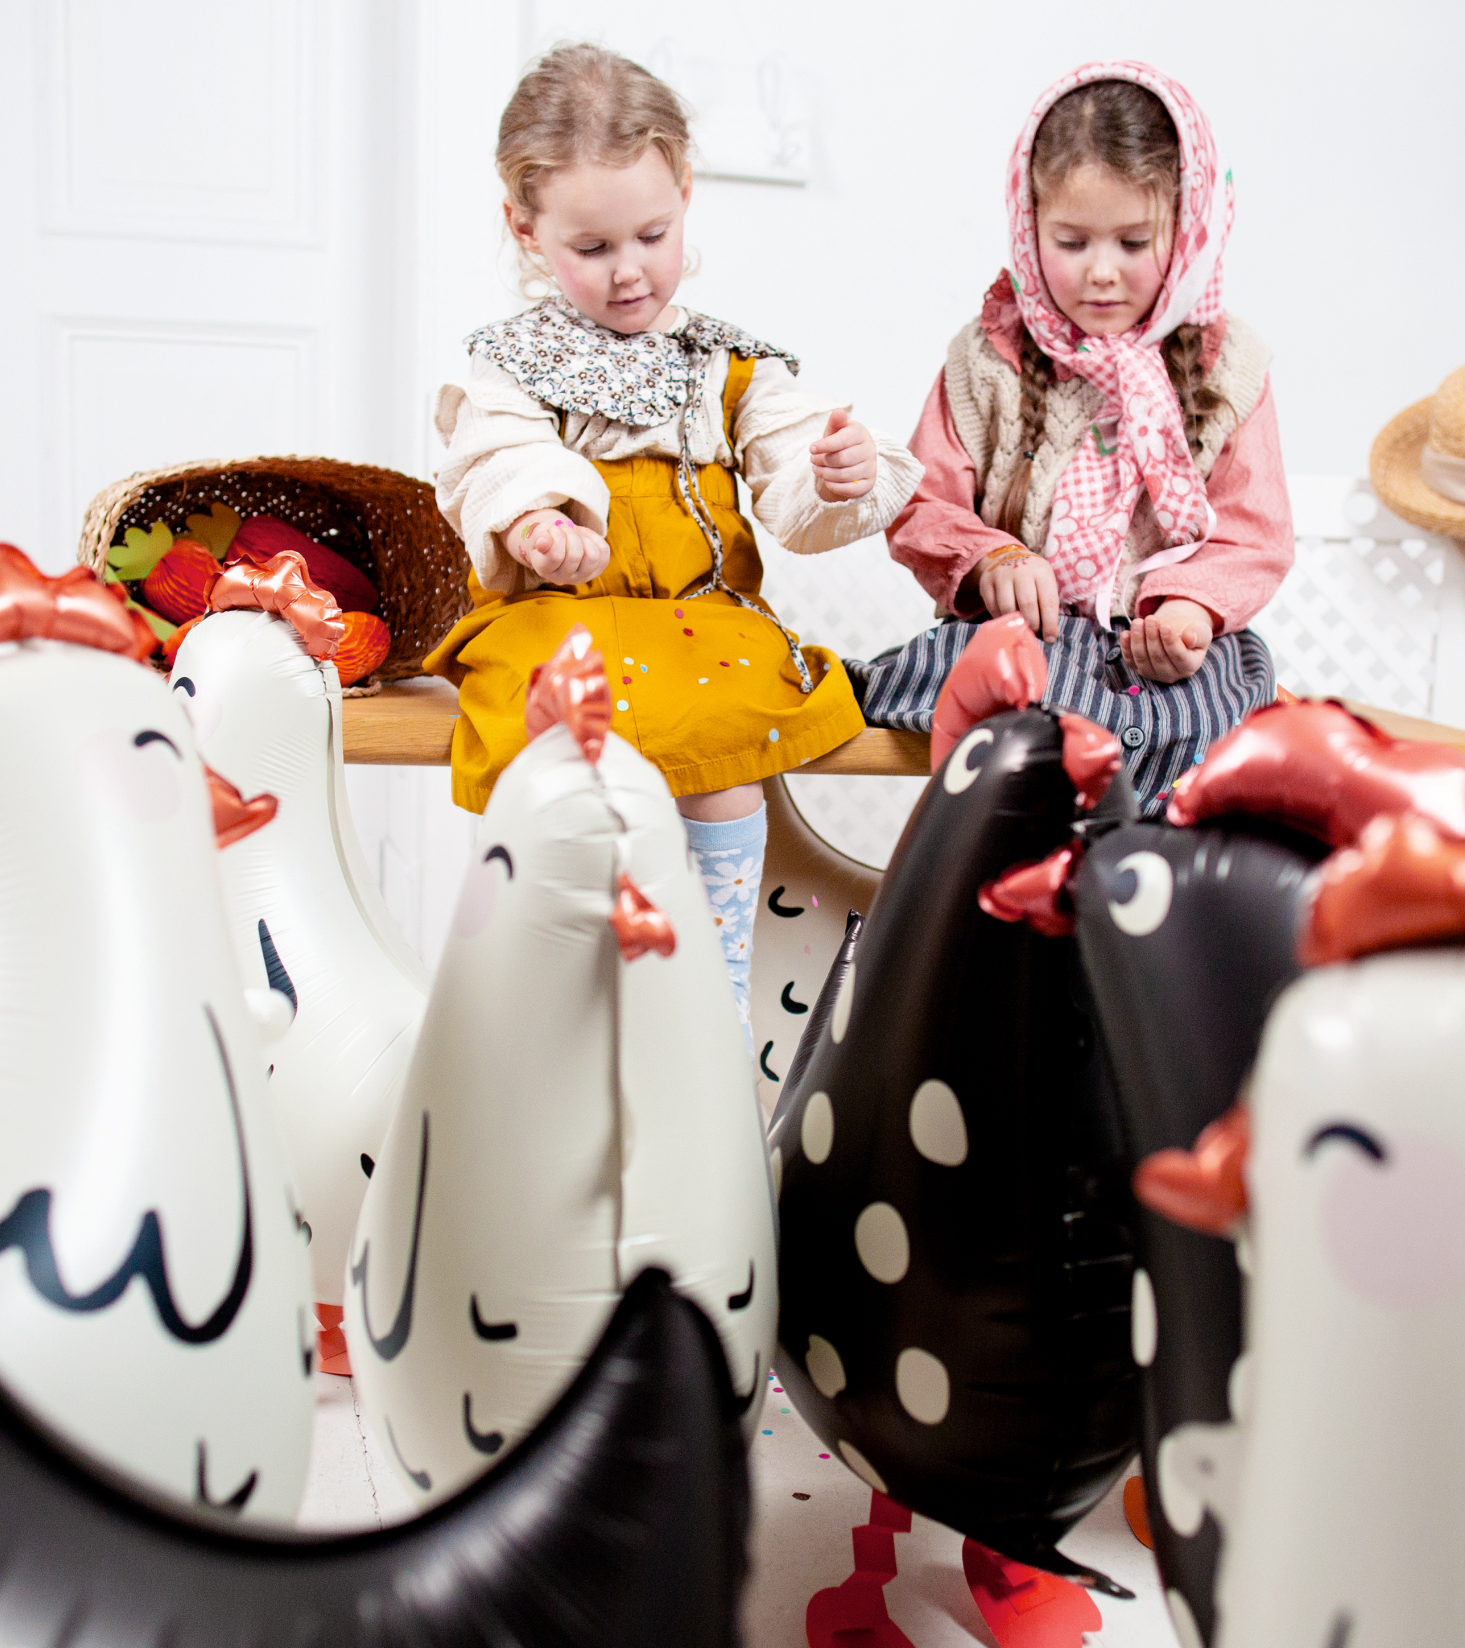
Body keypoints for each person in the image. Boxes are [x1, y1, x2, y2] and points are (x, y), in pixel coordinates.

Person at [426, 43, 920, 1030]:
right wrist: (544, 518)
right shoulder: (509, 367)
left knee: (721, 722)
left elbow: (785, 447)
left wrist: (835, 472)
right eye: (592, 248)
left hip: (698, 623)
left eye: (652, 234)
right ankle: (577, 984)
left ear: (687, 192)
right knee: (568, 730)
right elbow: (497, 453)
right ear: (525, 229)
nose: (628, 272)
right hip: (563, 615)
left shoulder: (723, 363)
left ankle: (712, 985)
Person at [867, 61, 1290, 813]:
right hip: (1029, 643)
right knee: (992, 703)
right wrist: (988, 557)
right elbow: (920, 498)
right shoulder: (986, 357)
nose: (1102, 273)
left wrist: (1187, 610)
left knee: (1217, 721)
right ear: (1030, 227)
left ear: (1186, 229)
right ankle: (1001, 889)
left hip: (1166, 656)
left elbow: (1254, 533)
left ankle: (1138, 886)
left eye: (1133, 243)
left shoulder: (1229, 367)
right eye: (1071, 241)